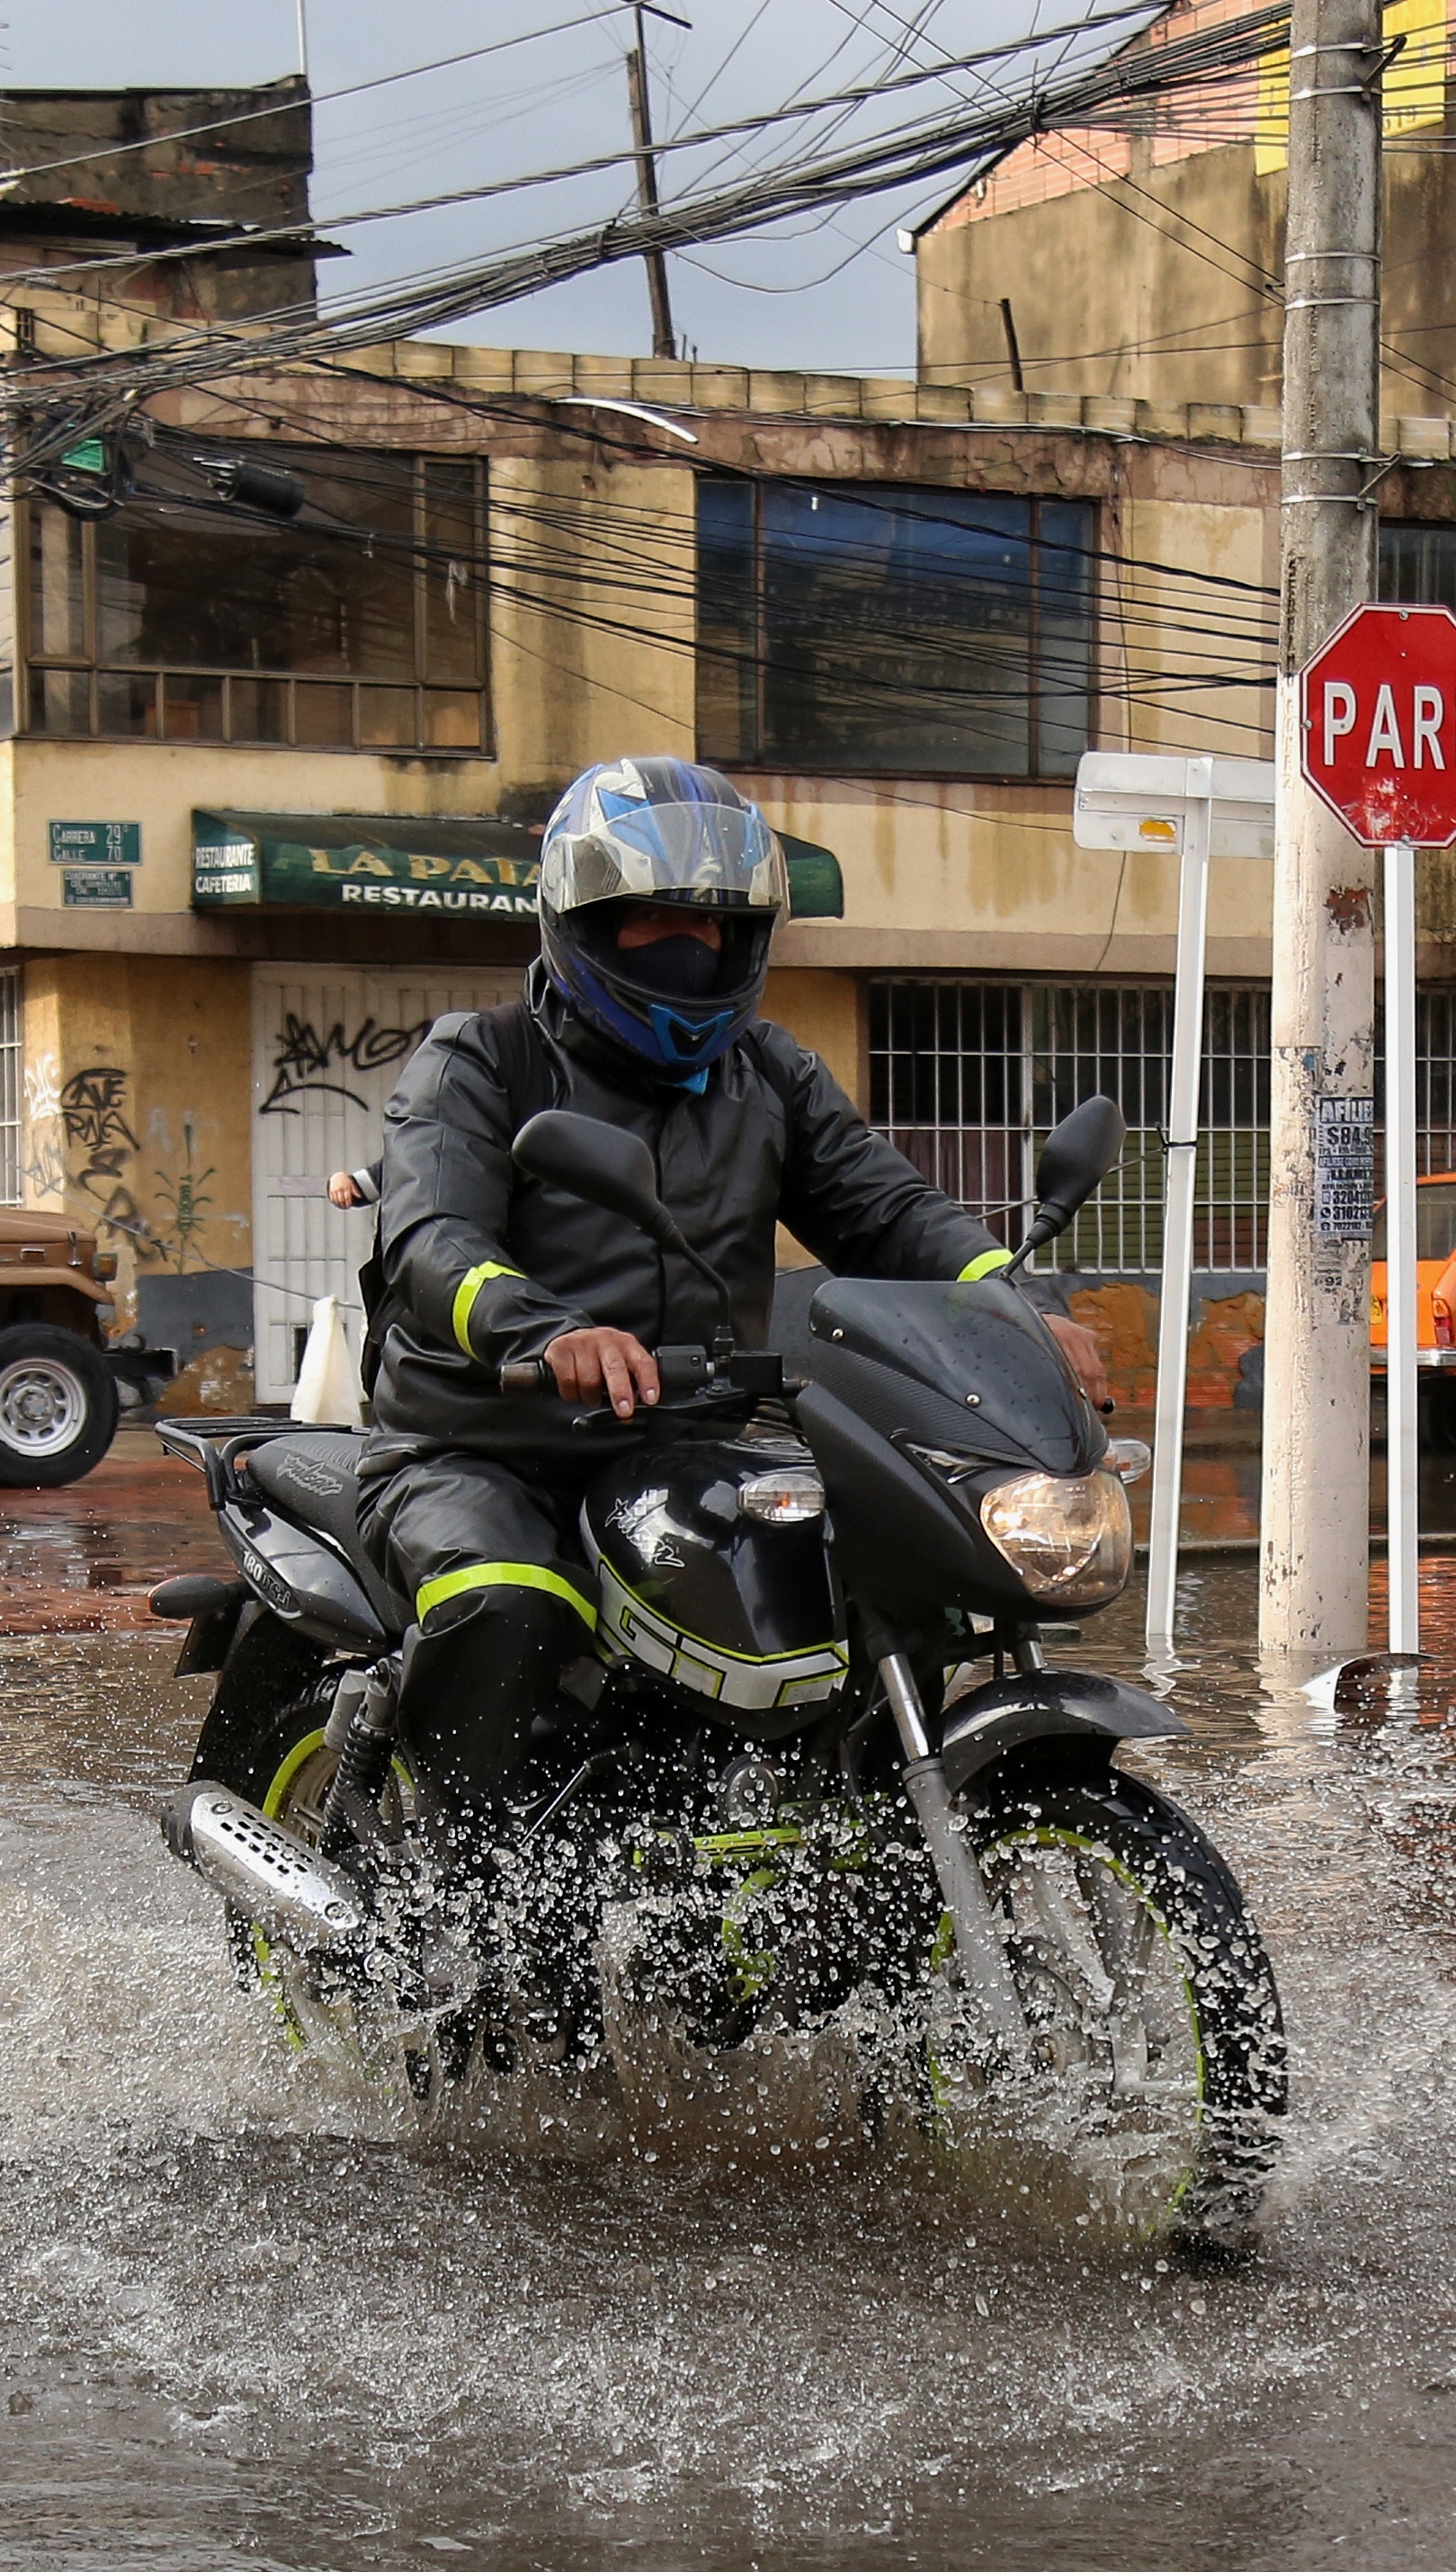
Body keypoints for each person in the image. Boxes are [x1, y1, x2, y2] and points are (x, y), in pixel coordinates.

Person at [362, 755, 1107, 1817]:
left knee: (873, 1581)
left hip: (691, 1437)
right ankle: (463, 1901)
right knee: (507, 1603)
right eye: (656, 919)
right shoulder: (481, 1061)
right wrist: (543, 1332)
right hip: (484, 1445)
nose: (692, 948)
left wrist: (1018, 1305)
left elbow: (888, 1211)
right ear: (581, 922)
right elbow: (432, 1238)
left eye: (715, 926)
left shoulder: (768, 1073)